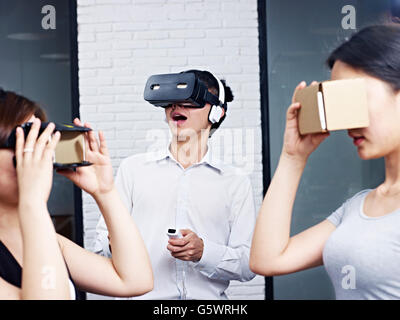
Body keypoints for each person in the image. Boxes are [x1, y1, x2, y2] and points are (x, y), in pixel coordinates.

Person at [250, 24, 400, 300]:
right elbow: (268, 259)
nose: (348, 119)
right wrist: (293, 157)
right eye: (341, 101)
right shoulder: (359, 207)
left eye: (357, 97)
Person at [95, 70, 256, 299]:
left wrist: (204, 252)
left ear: (217, 113)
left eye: (191, 101)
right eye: (171, 101)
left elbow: (248, 264)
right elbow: (101, 246)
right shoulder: (133, 170)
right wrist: (115, 243)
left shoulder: (235, 182)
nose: (176, 107)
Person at [0, 89, 153, 299]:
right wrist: (34, 203)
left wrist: (104, 192)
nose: (39, 153)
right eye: (25, 139)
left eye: (41, 139)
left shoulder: (48, 241)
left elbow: (135, 280)